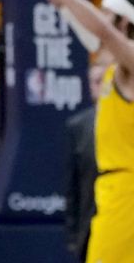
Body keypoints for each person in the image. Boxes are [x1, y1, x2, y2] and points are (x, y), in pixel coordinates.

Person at [35, 0, 134, 263]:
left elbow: (101, 31)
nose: (101, 21)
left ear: (125, 24)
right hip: (114, 190)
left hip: (126, 193)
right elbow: (95, 38)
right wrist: (62, 5)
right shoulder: (116, 68)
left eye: (108, 15)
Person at [64, 62, 107, 260]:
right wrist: (73, 234)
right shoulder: (78, 126)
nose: (102, 86)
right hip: (90, 217)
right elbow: (72, 186)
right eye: (96, 81)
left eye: (105, 80)